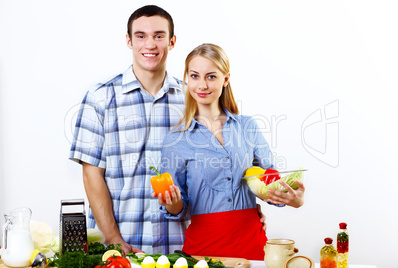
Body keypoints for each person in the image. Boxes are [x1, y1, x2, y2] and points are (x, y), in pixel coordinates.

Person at [155, 43, 305, 260]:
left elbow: (269, 181)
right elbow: (180, 208)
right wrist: (172, 204)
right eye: (195, 76)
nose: (202, 85)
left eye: (211, 76)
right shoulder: (175, 139)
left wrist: (292, 198)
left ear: (226, 79)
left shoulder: (247, 126)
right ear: (187, 78)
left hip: (252, 243)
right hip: (202, 250)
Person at [69, 5, 190, 255]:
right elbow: (92, 175)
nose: (150, 44)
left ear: (172, 41)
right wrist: (113, 238)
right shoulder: (99, 97)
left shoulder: (191, 99)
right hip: (116, 249)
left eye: (158, 36)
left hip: (179, 248)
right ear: (129, 40)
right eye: (141, 36)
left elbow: (208, 174)